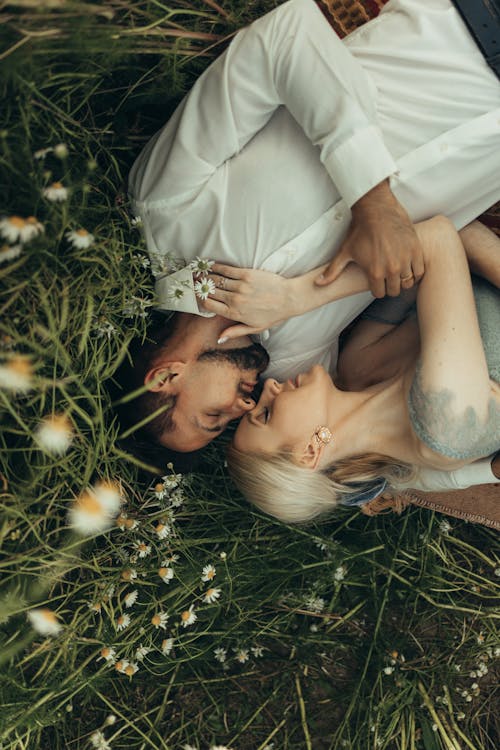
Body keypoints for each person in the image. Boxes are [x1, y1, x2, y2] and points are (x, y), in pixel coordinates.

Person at [124, 0, 500, 490]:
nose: (243, 408)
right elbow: (366, 453)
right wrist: (483, 472)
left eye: (213, 418)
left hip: (471, 32)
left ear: (166, 378)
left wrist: (372, 198)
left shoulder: (165, 213)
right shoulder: (299, 364)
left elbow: (286, 34)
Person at [226, 216, 500, 521]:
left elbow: (411, 251)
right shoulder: (444, 429)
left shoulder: (358, 364)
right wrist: (296, 297)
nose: (270, 389)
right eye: (266, 414)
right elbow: (438, 238)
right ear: (309, 453)